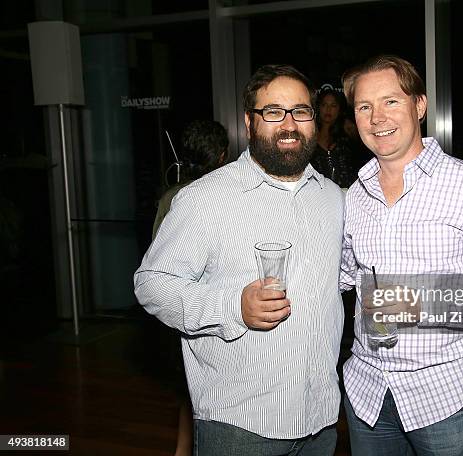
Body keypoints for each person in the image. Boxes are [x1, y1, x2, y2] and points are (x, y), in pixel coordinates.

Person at [134, 64, 345, 456]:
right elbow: (152, 284)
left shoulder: (333, 197)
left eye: (300, 111)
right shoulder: (205, 199)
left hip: (321, 419)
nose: (289, 124)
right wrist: (232, 306)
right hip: (241, 424)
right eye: (273, 112)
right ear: (249, 123)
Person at [339, 55, 463, 456]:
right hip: (367, 393)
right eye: (364, 106)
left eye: (391, 101)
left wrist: (415, 302)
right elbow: (344, 274)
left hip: (443, 396)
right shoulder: (352, 197)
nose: (377, 117)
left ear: (420, 105)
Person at [152, 119, 229, 456]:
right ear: (223, 156)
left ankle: (183, 450)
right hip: (208, 306)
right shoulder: (219, 196)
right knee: (209, 391)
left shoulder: (170, 195)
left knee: (187, 388)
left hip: (175, 304)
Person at [311, 88, 359, 188]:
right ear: (318, 107)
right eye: (324, 105)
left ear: (339, 109)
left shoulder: (347, 134)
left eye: (333, 105)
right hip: (318, 195)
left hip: (348, 194)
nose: (328, 109)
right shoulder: (309, 135)